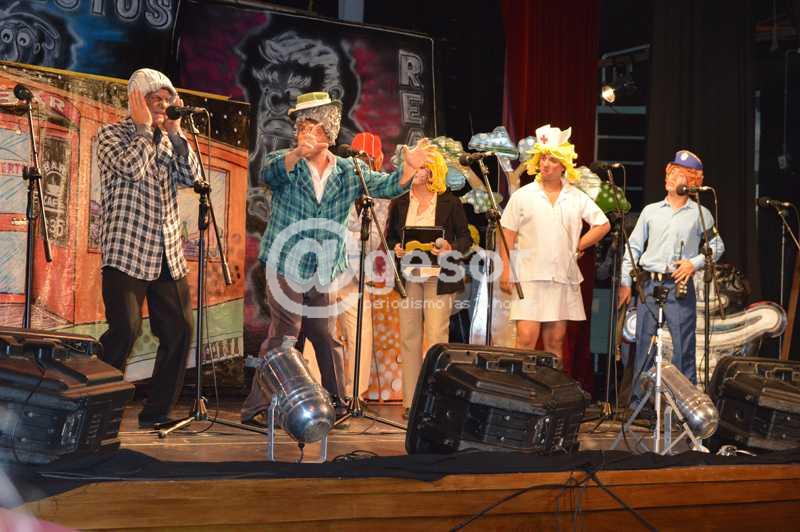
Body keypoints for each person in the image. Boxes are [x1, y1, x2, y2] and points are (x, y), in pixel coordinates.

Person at [241, 91, 433, 426]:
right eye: (301, 127)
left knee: (324, 335)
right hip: (285, 261)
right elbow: (267, 174)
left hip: (324, 267)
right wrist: (298, 153)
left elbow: (387, 186)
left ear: (328, 131)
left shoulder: (348, 170)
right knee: (286, 333)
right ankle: (256, 406)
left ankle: (337, 401)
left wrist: (408, 168)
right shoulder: (286, 162)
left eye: (311, 126)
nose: (304, 133)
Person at [96, 68, 202, 428]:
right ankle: (95, 410)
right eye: (155, 99)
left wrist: (176, 133)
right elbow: (131, 169)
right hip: (127, 249)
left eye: (167, 99)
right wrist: (144, 129)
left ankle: (157, 413)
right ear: (137, 101)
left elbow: (192, 177)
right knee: (124, 330)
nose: (162, 105)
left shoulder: (169, 138)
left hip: (166, 251)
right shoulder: (111, 134)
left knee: (180, 331)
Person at [618, 149, 724, 400]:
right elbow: (633, 247)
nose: (670, 178)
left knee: (683, 347)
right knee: (644, 345)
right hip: (649, 285)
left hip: (679, 286)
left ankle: (685, 404)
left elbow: (717, 246)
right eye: (670, 173)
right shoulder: (651, 211)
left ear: (691, 181)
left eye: (678, 174)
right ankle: (641, 403)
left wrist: (693, 263)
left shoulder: (701, 213)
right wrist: (625, 282)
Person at [499, 124, 610, 362]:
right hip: (528, 276)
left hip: (561, 276)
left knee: (555, 342)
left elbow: (603, 225)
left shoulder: (576, 196)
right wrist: (506, 269)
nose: (546, 164)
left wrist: (577, 246)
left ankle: (551, 386)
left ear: (563, 165)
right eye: (543, 158)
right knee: (525, 339)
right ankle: (521, 386)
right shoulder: (523, 195)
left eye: (552, 159)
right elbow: (506, 232)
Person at [386, 148, 471, 417]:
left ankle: (435, 402)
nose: (415, 172)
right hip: (409, 275)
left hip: (439, 277)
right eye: (413, 167)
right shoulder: (400, 202)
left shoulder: (450, 202)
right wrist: (396, 248)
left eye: (421, 167)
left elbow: (465, 238)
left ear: (433, 171)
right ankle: (411, 402)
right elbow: (390, 237)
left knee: (436, 338)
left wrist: (450, 248)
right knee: (409, 338)